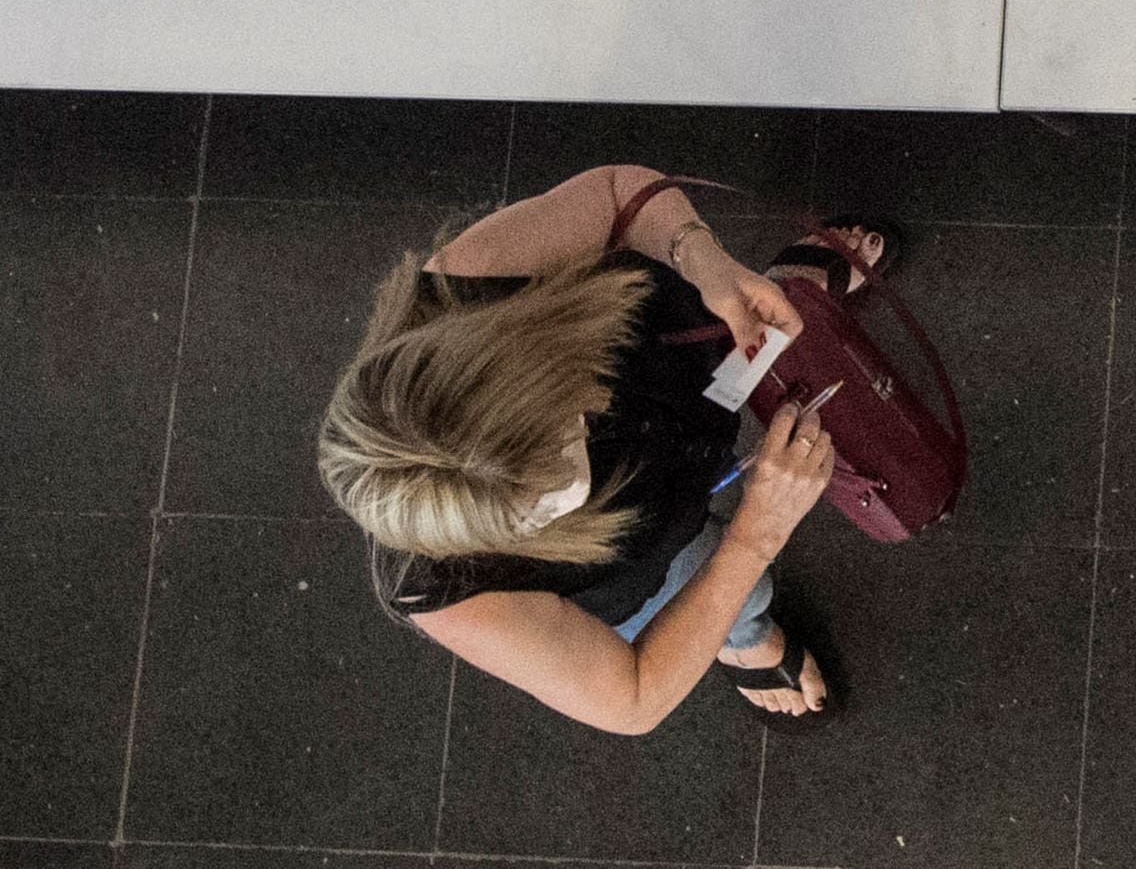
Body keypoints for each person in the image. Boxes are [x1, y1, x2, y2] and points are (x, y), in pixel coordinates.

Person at [315, 165, 892, 733]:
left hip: (675, 363)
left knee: (746, 324)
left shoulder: (466, 285)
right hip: (642, 548)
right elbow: (633, 699)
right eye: (545, 499)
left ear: (512, 352)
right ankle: (744, 641)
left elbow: (619, 193)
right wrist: (756, 533)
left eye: (564, 428)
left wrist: (705, 261)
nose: (574, 483)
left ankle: (770, 289)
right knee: (717, 583)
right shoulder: (445, 591)